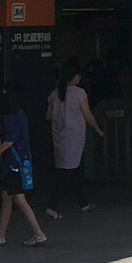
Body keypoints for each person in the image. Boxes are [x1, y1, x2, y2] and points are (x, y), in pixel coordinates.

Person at [0, 90, 47, 248]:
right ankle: (0, 234)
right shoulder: (20, 116)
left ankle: (38, 233)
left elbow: (10, 140)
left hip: (15, 166)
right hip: (19, 164)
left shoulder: (13, 119)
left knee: (18, 198)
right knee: (7, 196)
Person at [43, 59, 104, 220]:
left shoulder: (55, 93)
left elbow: (48, 116)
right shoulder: (79, 93)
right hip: (74, 136)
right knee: (69, 171)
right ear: (76, 76)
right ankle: (52, 205)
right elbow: (87, 114)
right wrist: (97, 129)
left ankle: (83, 203)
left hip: (59, 136)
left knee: (71, 169)